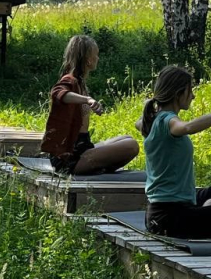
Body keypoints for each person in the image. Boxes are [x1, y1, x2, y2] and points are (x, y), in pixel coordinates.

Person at [138, 65, 211, 238]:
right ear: (177, 93)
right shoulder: (168, 121)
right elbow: (188, 127)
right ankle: (199, 218)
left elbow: (138, 123)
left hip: (162, 211)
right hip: (168, 218)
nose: (193, 96)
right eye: (190, 90)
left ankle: (199, 215)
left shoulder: (152, 120)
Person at [41, 34, 139, 175]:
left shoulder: (80, 82)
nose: (98, 58)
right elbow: (57, 93)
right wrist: (87, 100)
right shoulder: (70, 80)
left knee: (127, 138)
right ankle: (95, 168)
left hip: (83, 147)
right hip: (70, 158)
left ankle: (99, 167)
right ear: (88, 59)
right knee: (132, 146)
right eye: (96, 55)